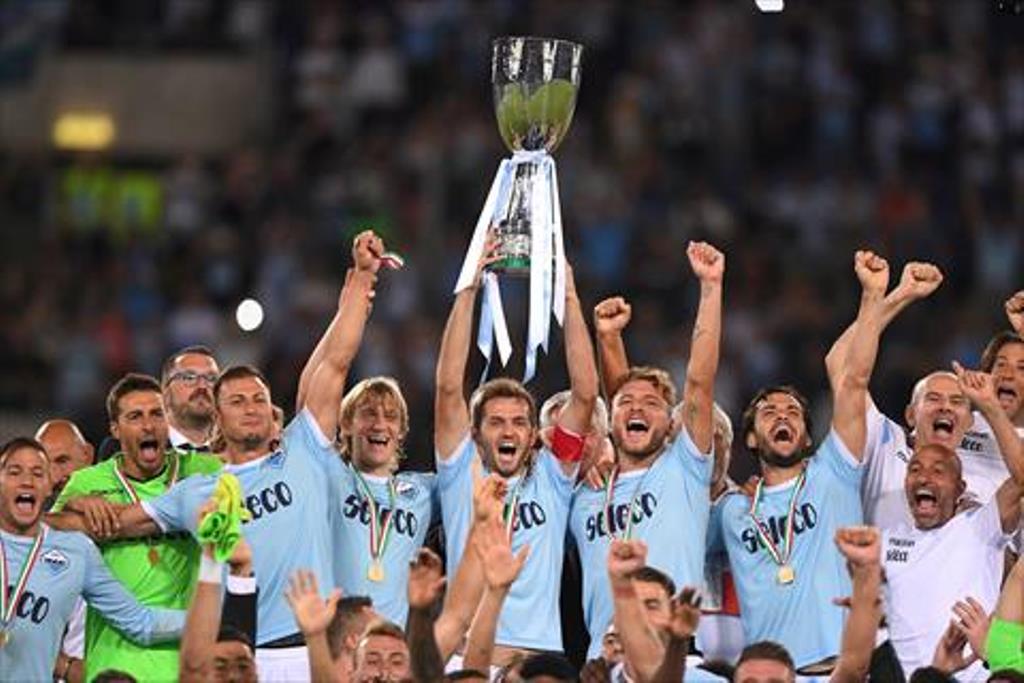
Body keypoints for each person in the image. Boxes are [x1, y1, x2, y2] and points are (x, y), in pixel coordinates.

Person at [52, 231, 391, 680]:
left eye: (258, 399)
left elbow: (336, 362)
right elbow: (112, 523)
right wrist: (70, 507)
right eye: (237, 401)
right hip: (242, 661)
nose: (251, 408)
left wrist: (363, 277)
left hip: (315, 647)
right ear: (216, 414)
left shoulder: (303, 450)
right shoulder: (197, 491)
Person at [708, 250, 889, 670]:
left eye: (792, 413)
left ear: (808, 434)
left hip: (839, 670)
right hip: (767, 675)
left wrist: (872, 295)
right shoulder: (732, 511)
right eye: (769, 413)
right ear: (751, 437)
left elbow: (854, 381)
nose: (783, 417)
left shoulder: (834, 472)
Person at [434, 231, 598, 663]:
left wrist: (570, 298)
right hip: (469, 658)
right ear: (475, 432)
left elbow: (585, 395)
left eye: (520, 423)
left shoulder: (553, 475)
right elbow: (449, 387)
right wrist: (468, 288)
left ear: (532, 434)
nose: (509, 432)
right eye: (496, 423)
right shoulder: (459, 469)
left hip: (539, 661)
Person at [571, 241, 724, 659]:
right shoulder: (584, 489)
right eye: (628, 406)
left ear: (672, 424)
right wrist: (607, 339)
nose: (637, 409)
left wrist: (711, 287)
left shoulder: (685, 469)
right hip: (602, 659)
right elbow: (618, 397)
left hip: (672, 653)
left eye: (653, 404)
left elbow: (699, 383)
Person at [49, 374, 222, 681]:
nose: (148, 425)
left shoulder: (203, 470)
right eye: (135, 416)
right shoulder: (87, 483)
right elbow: (48, 536)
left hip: (193, 661)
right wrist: (76, 502)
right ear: (115, 429)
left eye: (157, 414)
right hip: (113, 662)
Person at [881, 363, 1024, 679]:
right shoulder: (885, 541)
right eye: (915, 470)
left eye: (938, 471)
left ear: (961, 489)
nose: (924, 477)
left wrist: (990, 406)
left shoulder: (980, 525)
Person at [0, 438, 185, 682]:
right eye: (14, 472)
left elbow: (140, 622)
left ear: (49, 486)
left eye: (38, 473)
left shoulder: (77, 551)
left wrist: (216, 618)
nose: (27, 481)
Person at [36, 418, 95, 683]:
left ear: (88, 454)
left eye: (62, 461)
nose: (57, 477)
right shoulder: (38, 540)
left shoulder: (130, 510)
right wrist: (66, 668)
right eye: (46, 468)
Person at [161, 345, 221, 451]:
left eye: (211, 379)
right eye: (189, 378)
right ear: (166, 392)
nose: (202, 386)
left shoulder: (234, 455)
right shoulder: (143, 450)